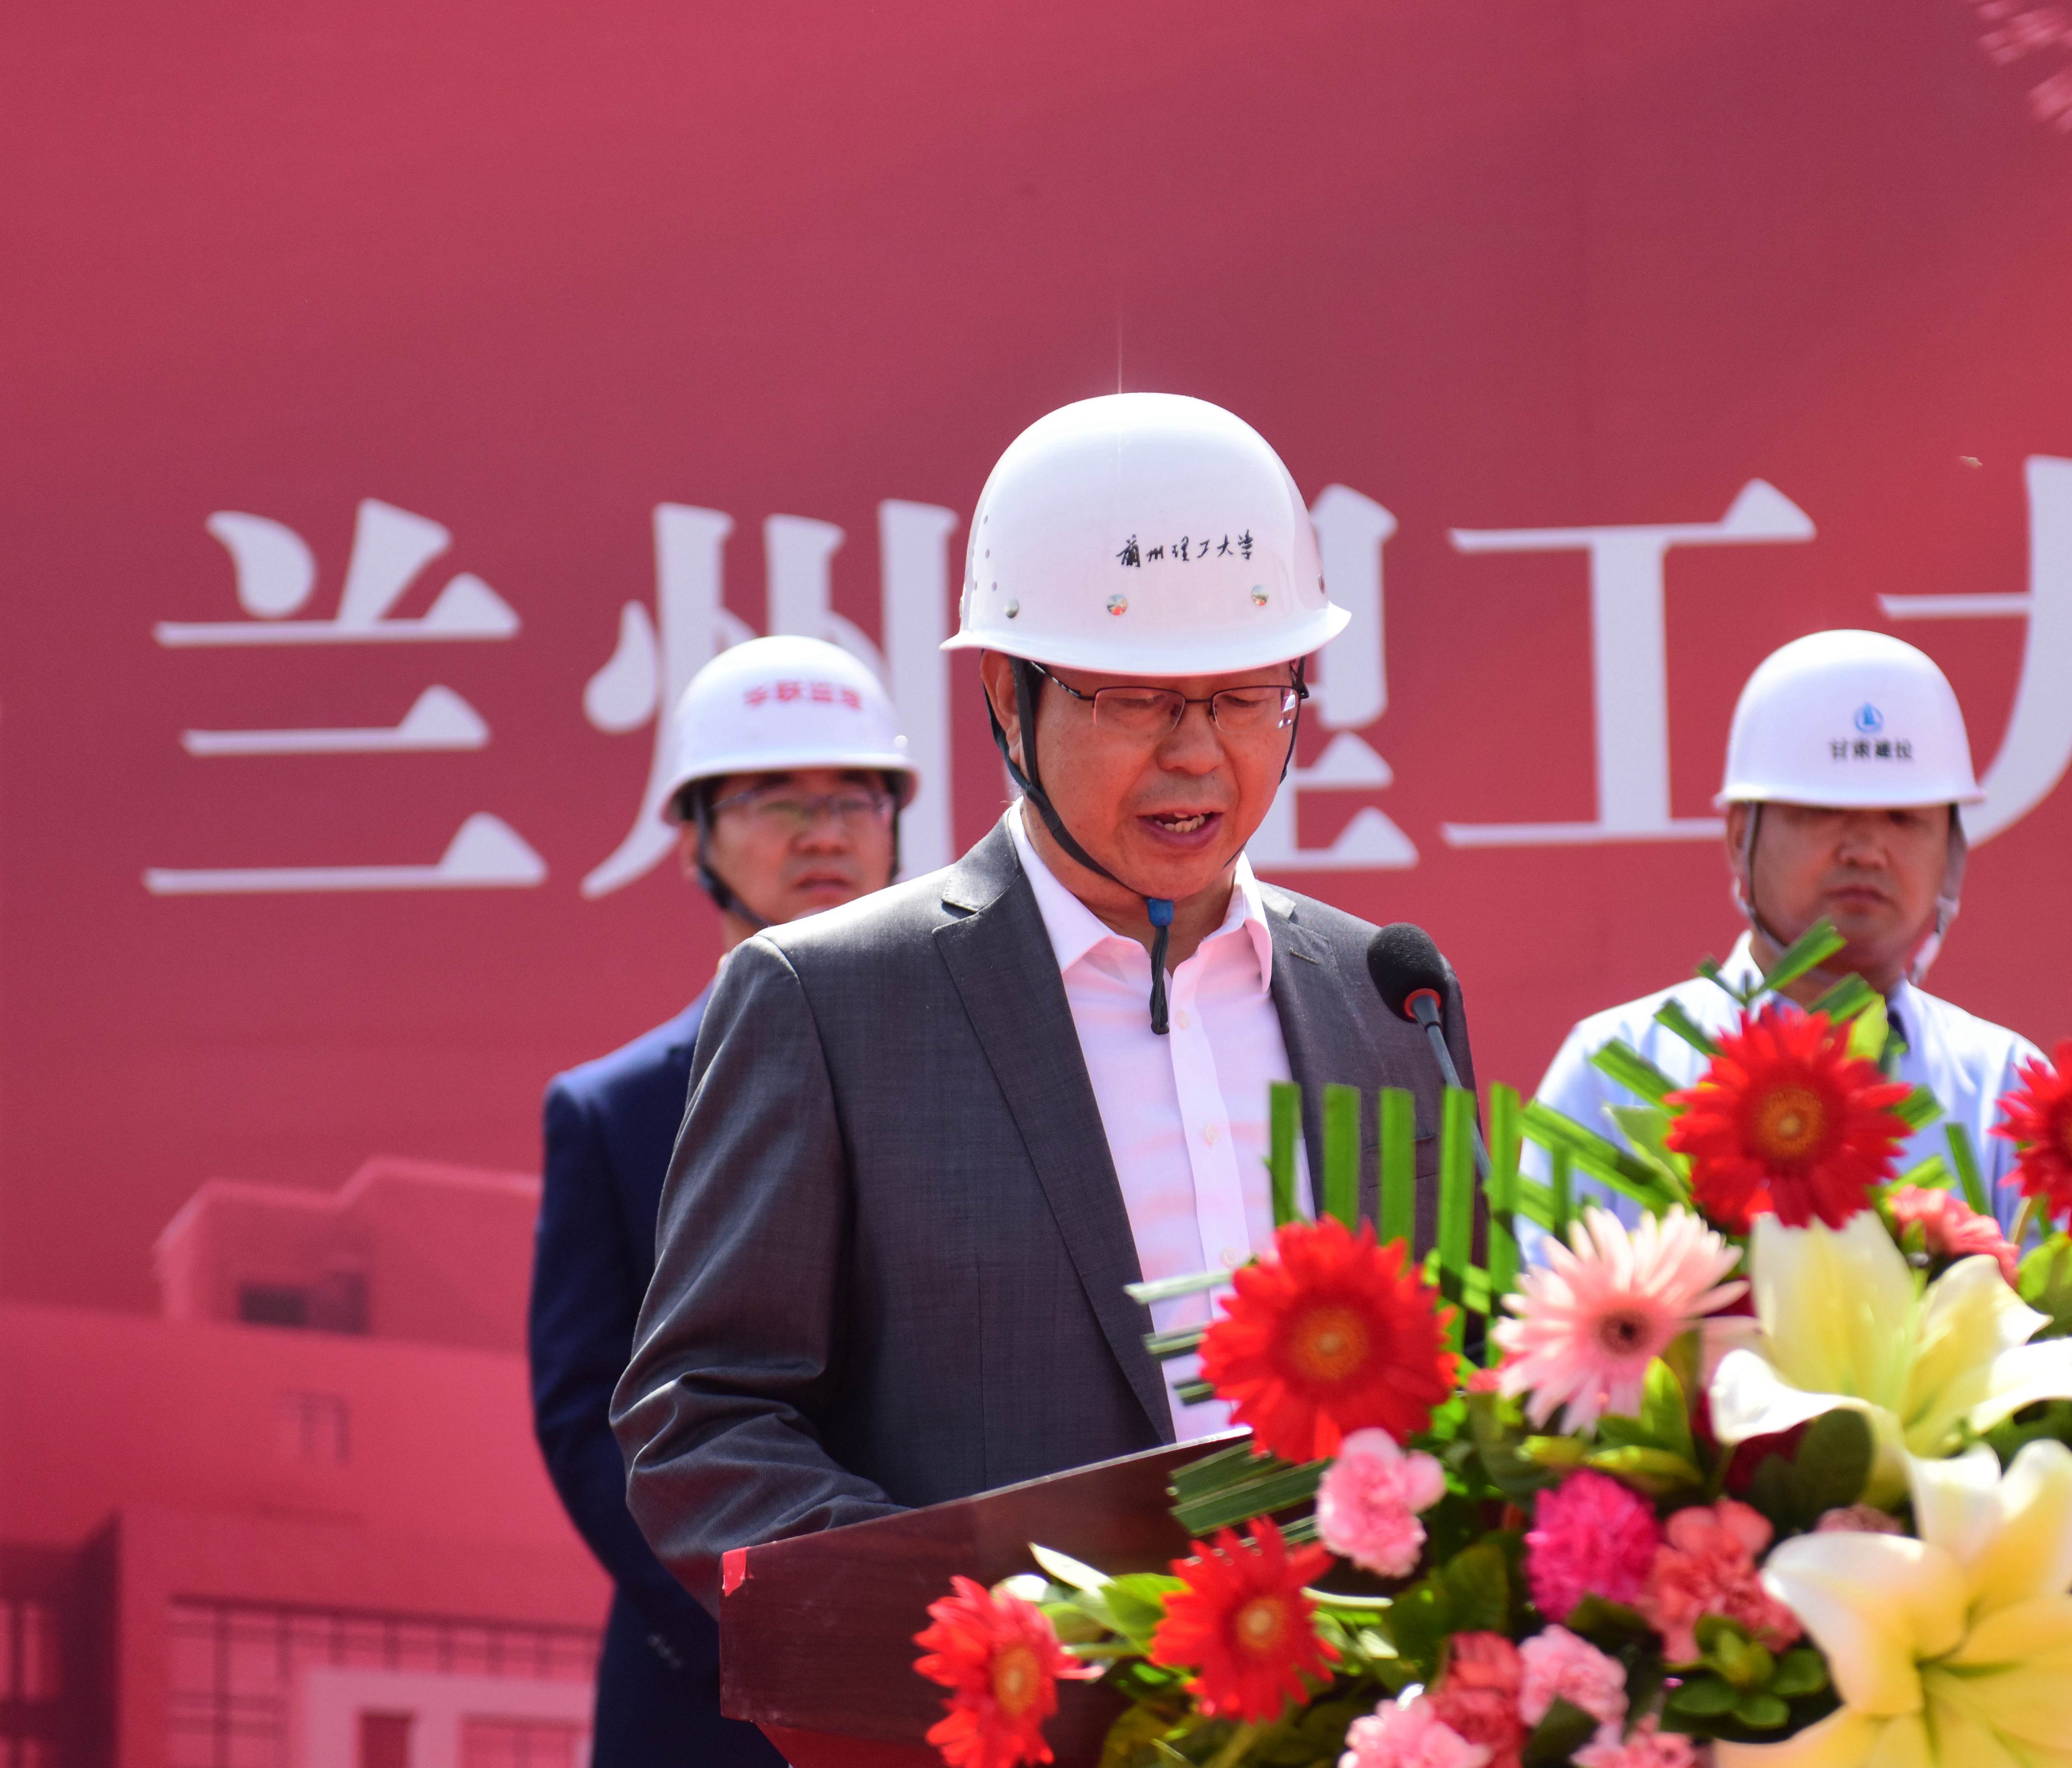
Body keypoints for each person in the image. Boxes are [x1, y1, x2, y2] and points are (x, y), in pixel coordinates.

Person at [611, 392, 1472, 1609]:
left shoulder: (1389, 995)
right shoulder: (833, 1004)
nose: (1196, 753)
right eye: (1136, 700)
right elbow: (704, 1423)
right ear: (1009, 699)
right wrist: (968, 1624)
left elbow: (1471, 1374)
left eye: (1244, 697)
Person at [530, 634, 916, 1768]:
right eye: (773, 797)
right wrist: (755, 1627)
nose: (822, 831)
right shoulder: (611, 1110)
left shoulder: (986, 1070)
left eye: (854, 796)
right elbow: (587, 1416)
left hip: (955, 1657)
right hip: (706, 1691)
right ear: (694, 834)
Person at [1527, 629, 2044, 1232]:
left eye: (1904, 819)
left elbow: (2063, 1296)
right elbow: (1539, 1288)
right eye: (1822, 813)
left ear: (1951, 855)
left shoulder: (2007, 1085)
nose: (1866, 850)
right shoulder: (1612, 1069)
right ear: (1739, 836)